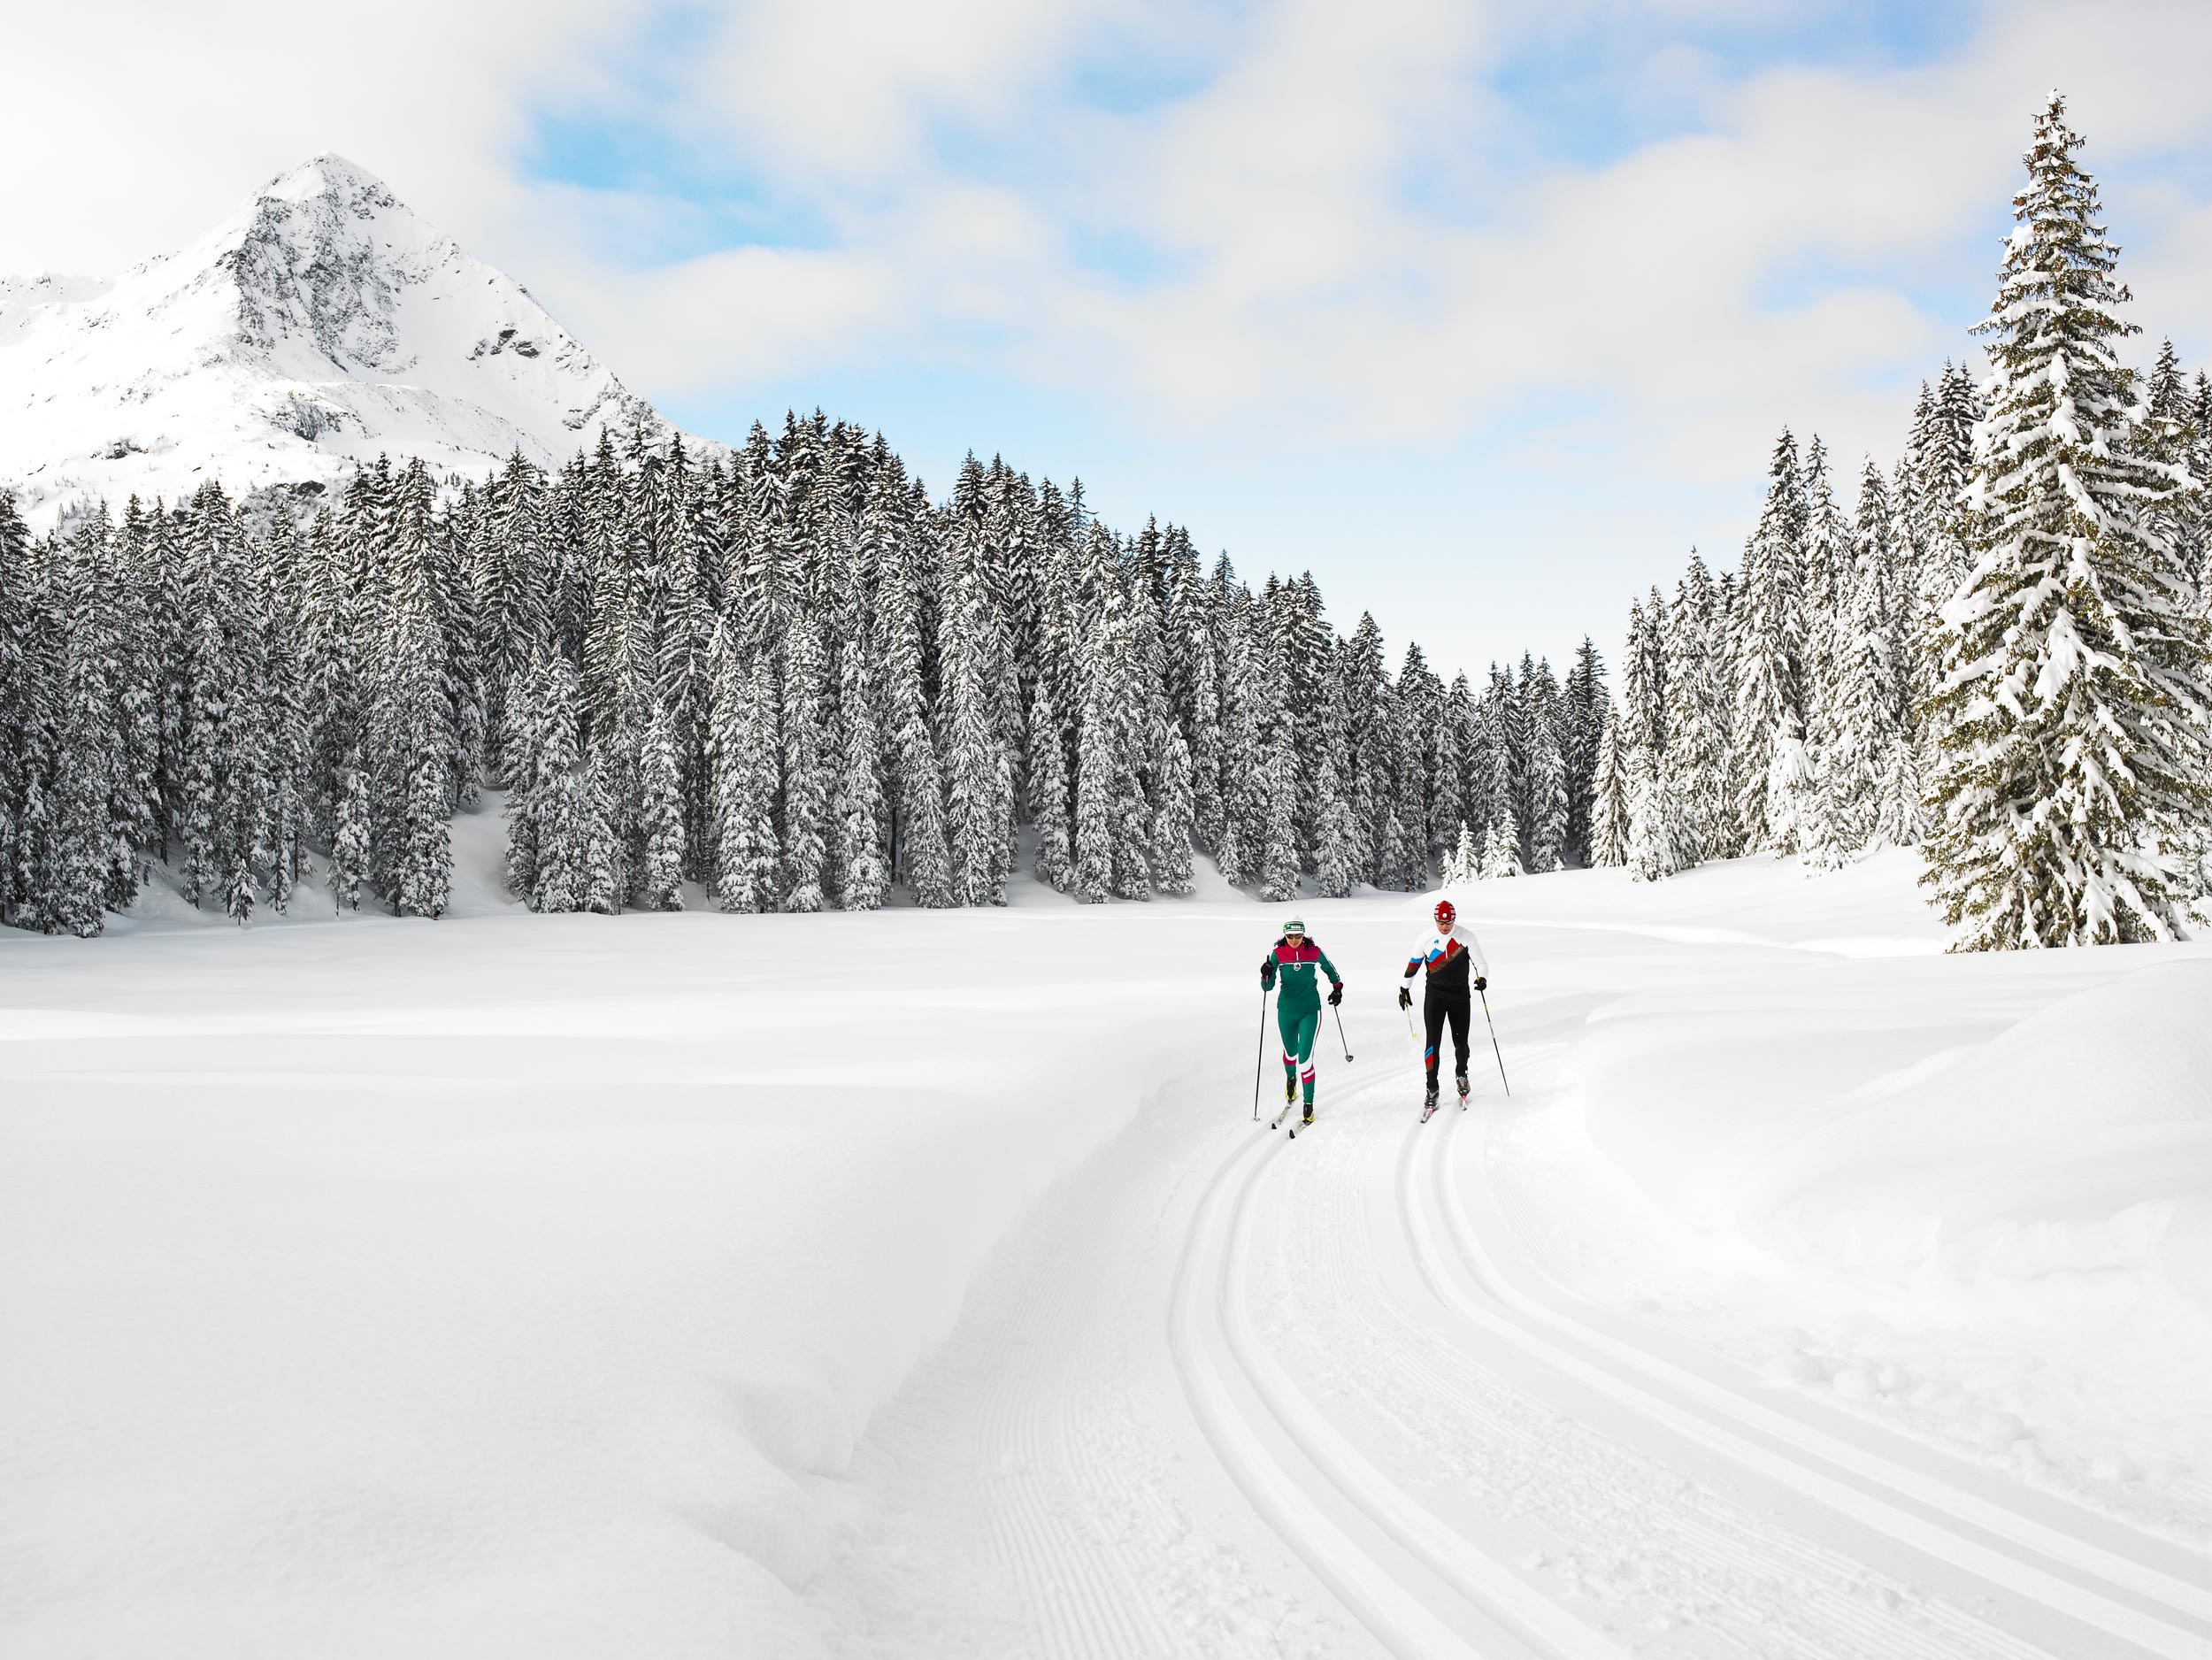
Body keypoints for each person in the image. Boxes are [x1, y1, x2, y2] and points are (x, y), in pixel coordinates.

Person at [1398, 898, 1490, 1112]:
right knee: (1432, 1043)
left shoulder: (1466, 937)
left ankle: (1461, 1075)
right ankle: (1431, 1087)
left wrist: (1482, 978)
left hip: (1460, 997)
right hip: (1435, 997)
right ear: (1435, 920)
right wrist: (1404, 988)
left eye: (1448, 923)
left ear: (1454, 920)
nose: (1445, 927)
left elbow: (1481, 963)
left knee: (1461, 1042)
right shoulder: (1426, 938)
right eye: (1441, 922)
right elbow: (1413, 964)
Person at [1259, 916, 1343, 1126]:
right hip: (1286, 1011)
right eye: (1290, 936)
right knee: (1290, 1054)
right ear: (1285, 936)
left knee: (1305, 1060)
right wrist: (1265, 974)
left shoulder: (1314, 951)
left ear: (1304, 935)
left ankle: (1308, 1105)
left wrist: (1337, 988)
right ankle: (1291, 1079)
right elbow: (1267, 988)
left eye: (1298, 936)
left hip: (1310, 1011)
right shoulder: (1278, 954)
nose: (1294, 940)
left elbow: (1330, 969)